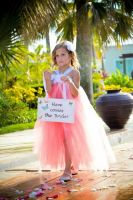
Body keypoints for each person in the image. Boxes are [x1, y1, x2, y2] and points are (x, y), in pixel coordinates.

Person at [34, 41, 116, 181]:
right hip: (57, 108)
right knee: (60, 138)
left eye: (63, 54)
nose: (60, 58)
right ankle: (71, 164)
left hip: (72, 108)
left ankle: (67, 170)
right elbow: (49, 91)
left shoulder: (74, 72)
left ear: (71, 56)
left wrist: (69, 82)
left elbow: (75, 93)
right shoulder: (53, 73)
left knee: (69, 138)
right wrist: (47, 79)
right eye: (57, 56)